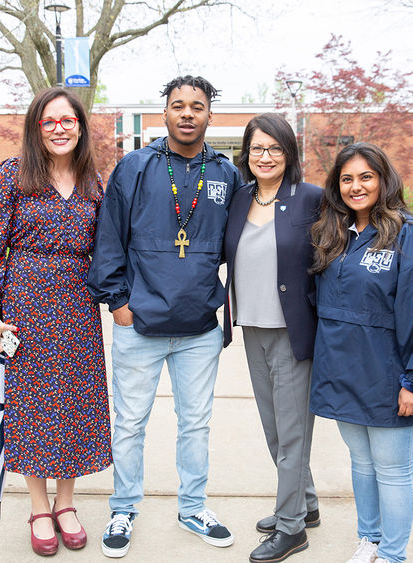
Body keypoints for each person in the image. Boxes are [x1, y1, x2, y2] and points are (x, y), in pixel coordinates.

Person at [87, 75, 241, 558]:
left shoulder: (226, 174)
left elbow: (243, 244)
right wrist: (117, 303)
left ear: (210, 114)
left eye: (198, 106)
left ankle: (194, 506)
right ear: (165, 114)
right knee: (130, 423)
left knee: (195, 423)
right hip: (141, 321)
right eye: (179, 106)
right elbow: (109, 237)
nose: (188, 114)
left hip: (198, 327)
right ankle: (124, 507)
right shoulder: (136, 167)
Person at [0, 87, 112, 556]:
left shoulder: (94, 180)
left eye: (67, 121)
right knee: (29, 406)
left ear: (80, 127)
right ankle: (37, 505)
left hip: (76, 306)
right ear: (36, 127)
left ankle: (66, 503)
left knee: (71, 403)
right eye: (48, 121)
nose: (58, 129)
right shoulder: (14, 174)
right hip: (25, 304)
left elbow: (111, 247)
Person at [309, 142, 413, 563]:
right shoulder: (334, 234)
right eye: (347, 179)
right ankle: (370, 540)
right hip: (344, 372)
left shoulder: (410, 235)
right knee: (361, 463)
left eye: (365, 177)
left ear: (383, 180)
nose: (356, 187)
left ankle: (394, 554)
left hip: (391, 372)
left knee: (393, 470)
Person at [222, 113, 322, 563]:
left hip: (293, 331)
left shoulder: (311, 200)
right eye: (257, 149)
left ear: (289, 153)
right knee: (274, 429)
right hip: (252, 326)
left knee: (293, 431)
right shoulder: (238, 197)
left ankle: (291, 527)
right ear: (247, 154)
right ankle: (306, 503)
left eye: (275, 149)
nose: (265, 157)